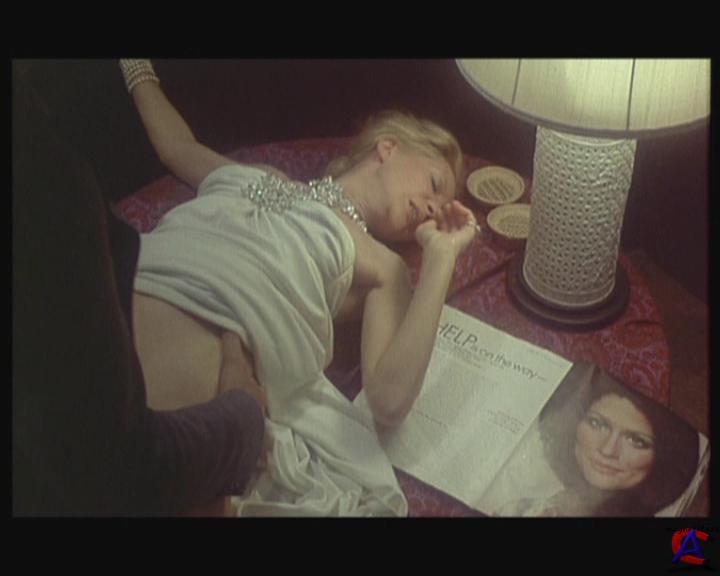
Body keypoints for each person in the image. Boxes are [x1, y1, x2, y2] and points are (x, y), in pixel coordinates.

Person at [122, 59, 478, 516]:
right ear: (389, 147)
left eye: (441, 207)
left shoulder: (383, 265)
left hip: (201, 351)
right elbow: (177, 147)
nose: (432, 207)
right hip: (131, 294)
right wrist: (135, 66)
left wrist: (441, 257)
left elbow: (389, 402)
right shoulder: (259, 175)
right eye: (434, 183)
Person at [13, 62, 266, 516]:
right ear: (388, 147)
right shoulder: (42, 177)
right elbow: (117, 467)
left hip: (232, 323)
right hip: (166, 302)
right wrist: (243, 418)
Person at [490, 363, 699, 517]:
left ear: (661, 459)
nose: (608, 450)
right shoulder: (519, 510)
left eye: (637, 441)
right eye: (597, 424)